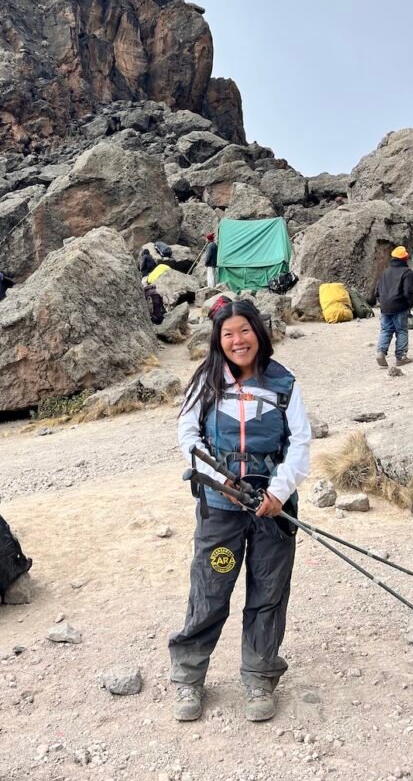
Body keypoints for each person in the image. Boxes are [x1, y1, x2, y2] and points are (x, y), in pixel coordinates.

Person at [168, 299, 312, 724]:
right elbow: (188, 434)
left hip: (273, 510)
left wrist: (279, 492)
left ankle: (259, 676)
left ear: (258, 332)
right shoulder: (206, 382)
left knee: (268, 592)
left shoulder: (284, 382)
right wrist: (220, 481)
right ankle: (189, 676)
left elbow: (300, 443)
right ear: (218, 339)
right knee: (211, 589)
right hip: (220, 511)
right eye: (228, 334)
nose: (237, 340)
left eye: (244, 331)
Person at [373, 246, 413, 368]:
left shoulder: (386, 271)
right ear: (405, 257)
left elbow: (377, 289)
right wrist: (410, 303)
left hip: (385, 306)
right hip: (399, 305)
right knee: (401, 330)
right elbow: (408, 291)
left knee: (386, 330)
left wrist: (381, 300)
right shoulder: (407, 272)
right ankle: (401, 357)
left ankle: (381, 352)